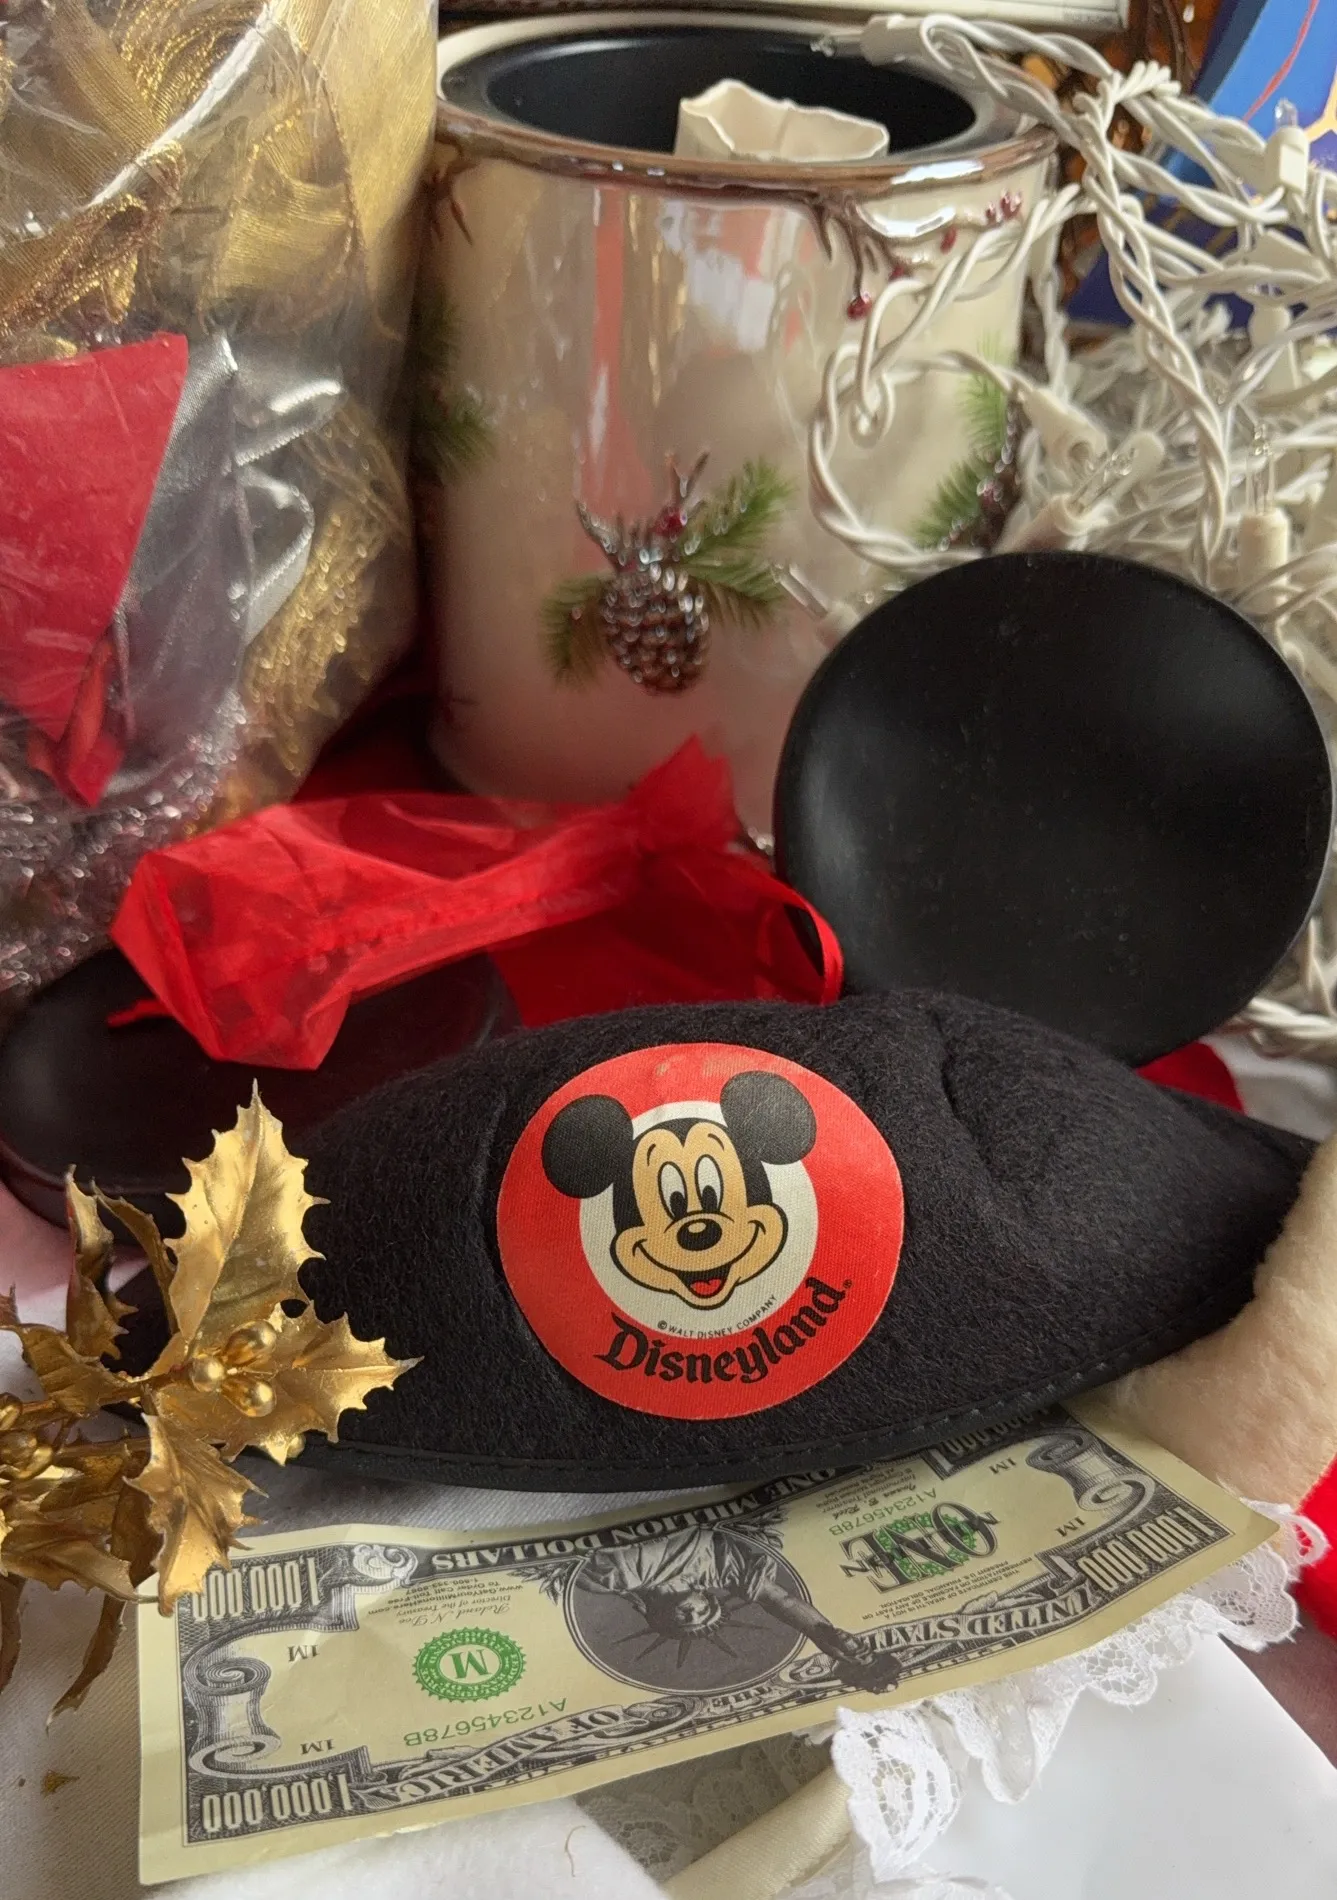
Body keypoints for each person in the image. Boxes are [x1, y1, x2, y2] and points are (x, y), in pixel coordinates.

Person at [582, 1524, 902, 1692]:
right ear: (709, 1598)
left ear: (660, 1618)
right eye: (702, 1612)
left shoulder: (606, 1582)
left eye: (686, 1619)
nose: (692, 1612)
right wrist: (822, 1635)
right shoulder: (722, 1569)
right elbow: (781, 1600)